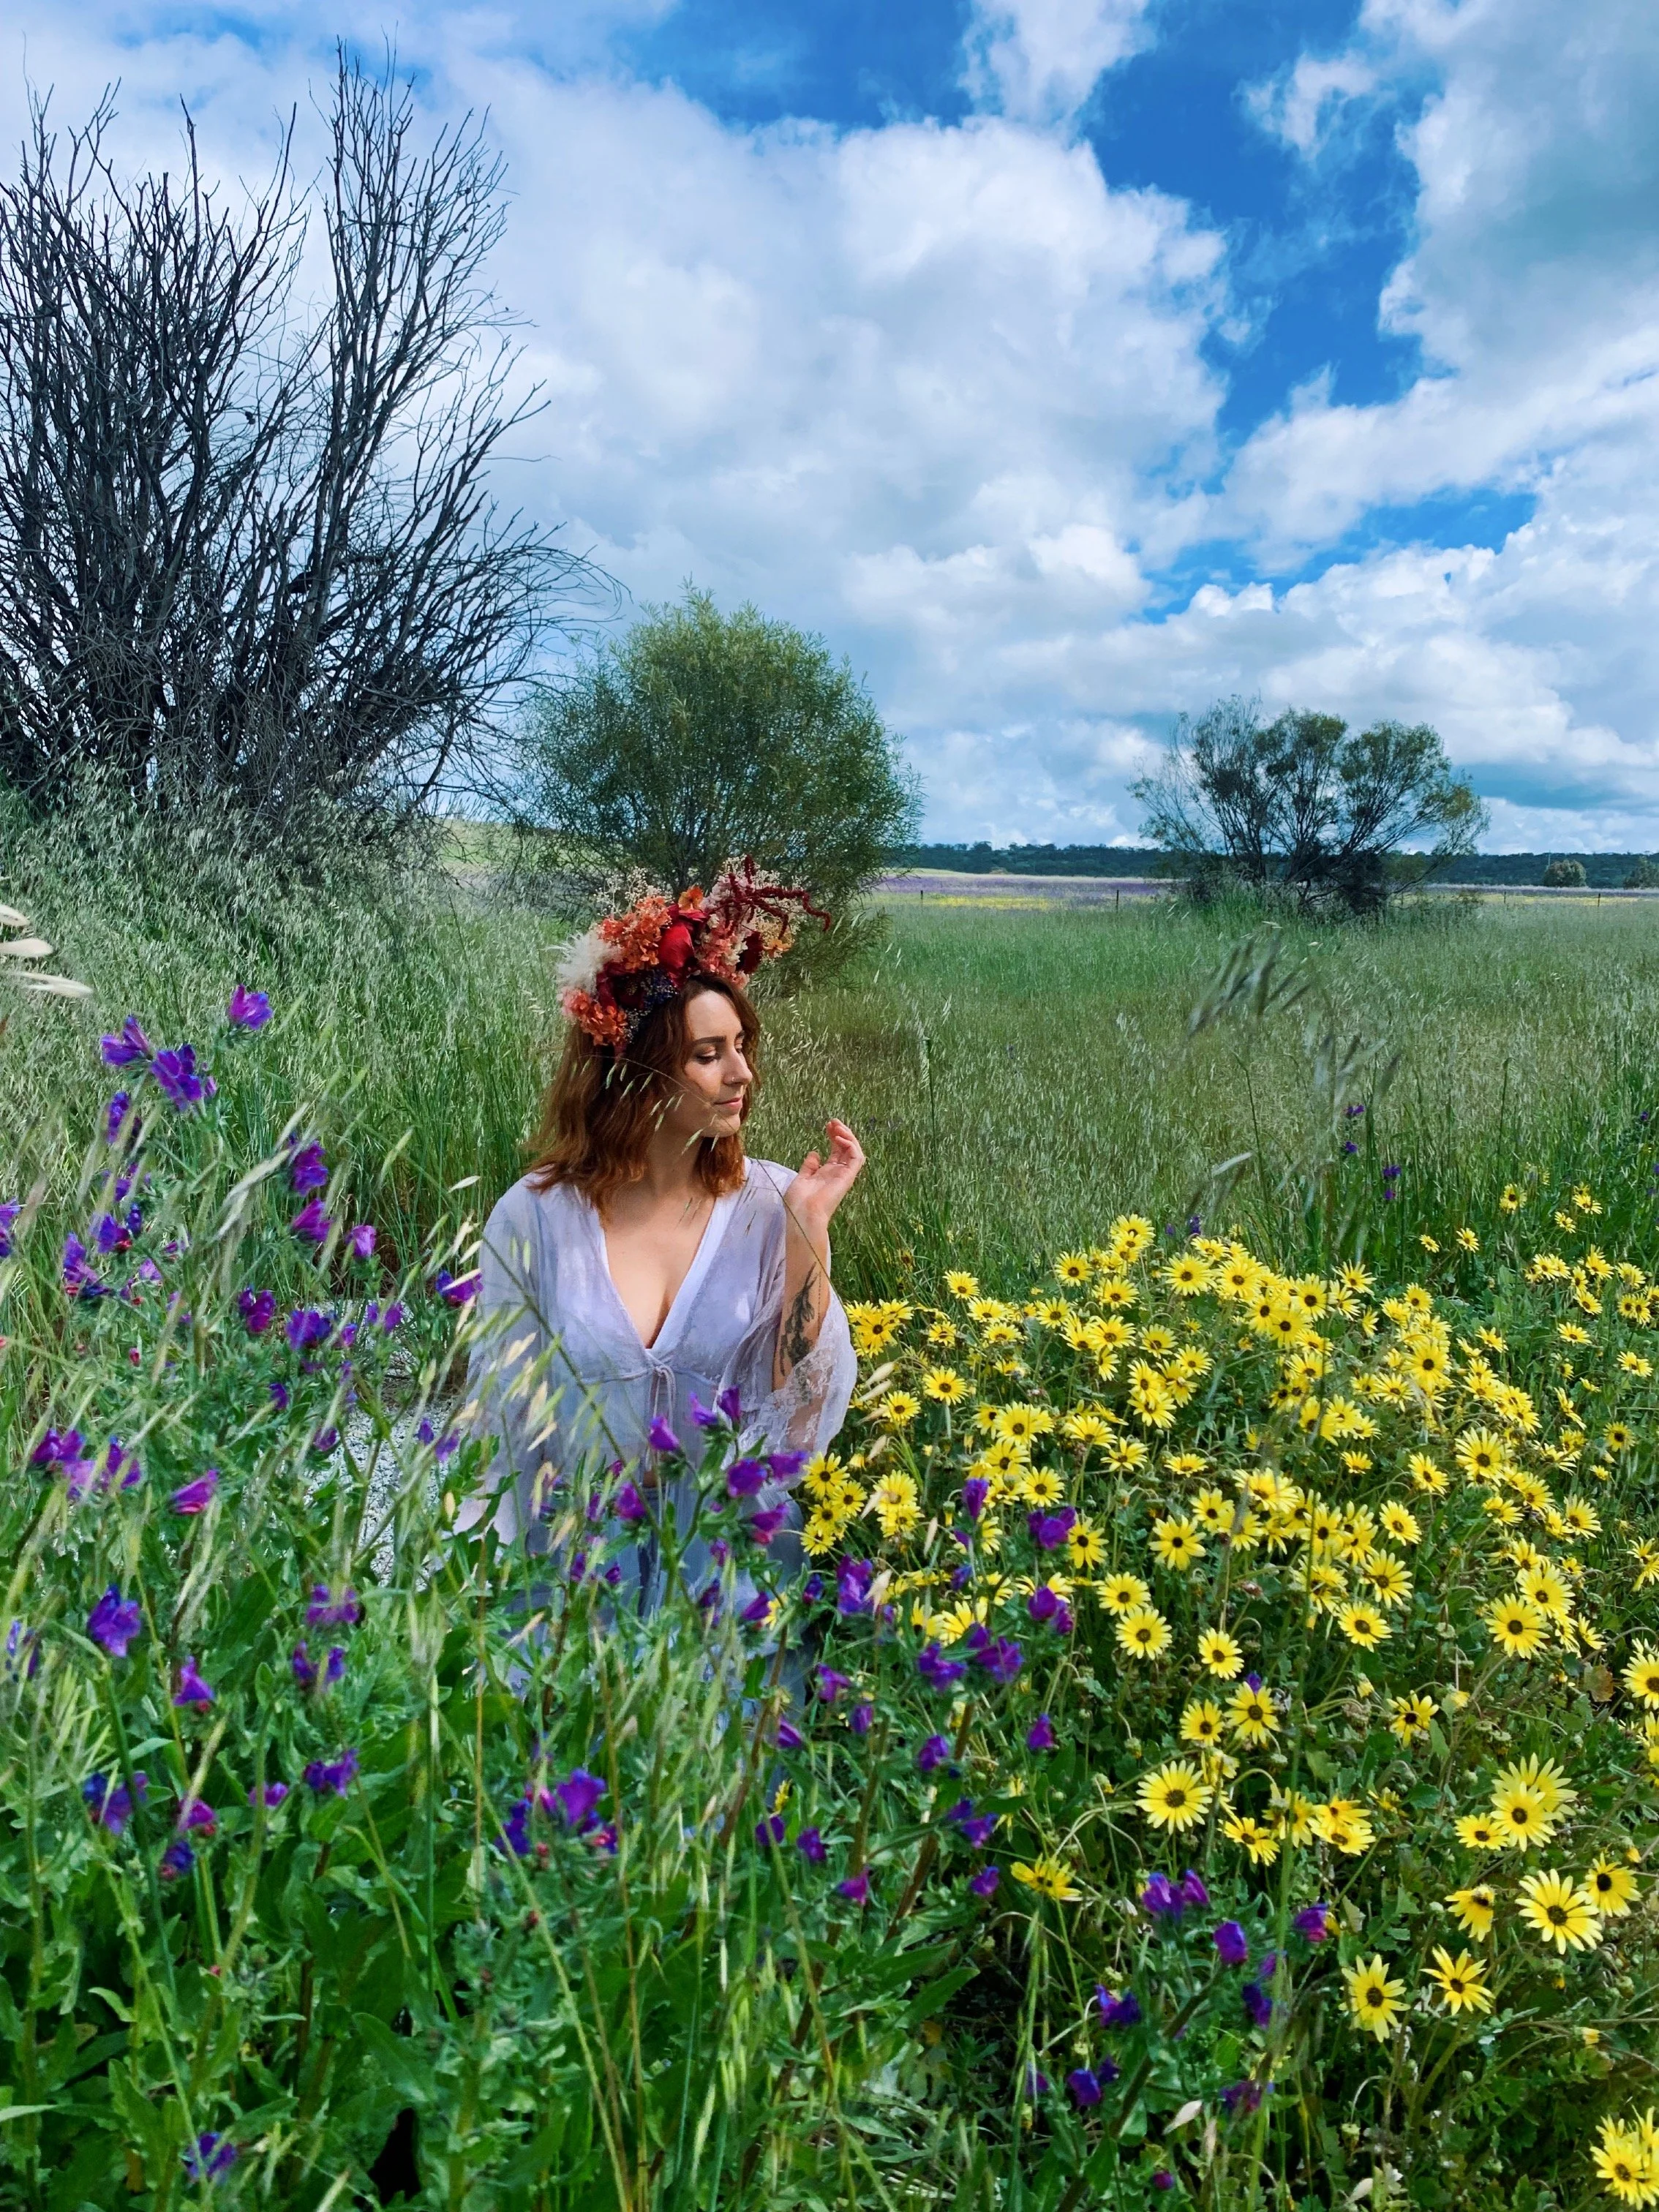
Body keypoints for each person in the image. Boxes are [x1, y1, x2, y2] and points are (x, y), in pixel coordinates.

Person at [464, 862, 864, 1607]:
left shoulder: (772, 1201)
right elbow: (503, 1425)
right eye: (708, 1055)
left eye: (742, 1045)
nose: (741, 1073)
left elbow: (798, 1413)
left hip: (724, 1589)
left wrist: (809, 1227)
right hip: (575, 1588)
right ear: (638, 1070)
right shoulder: (536, 1218)